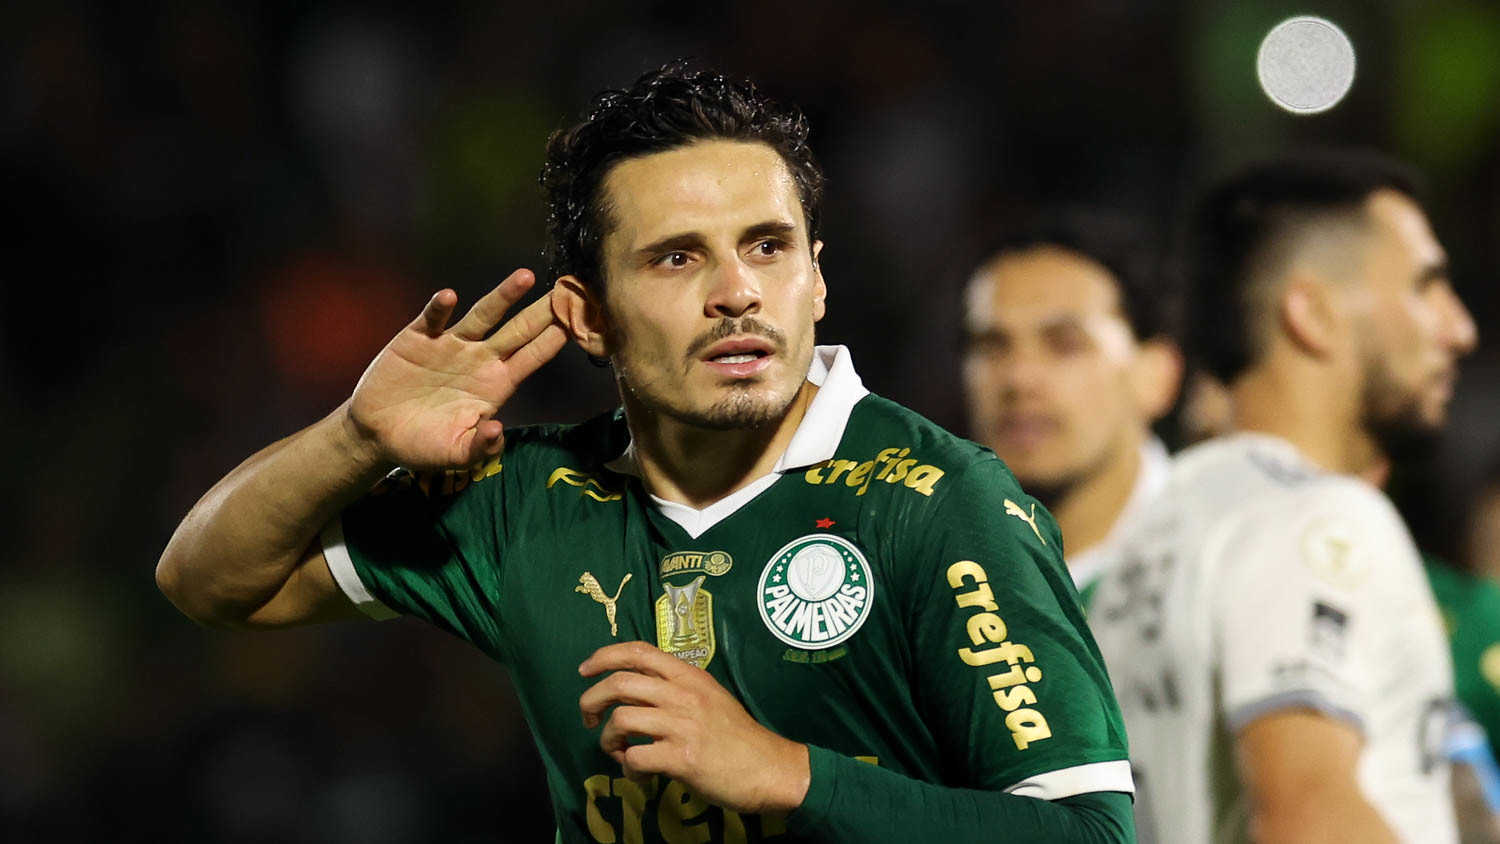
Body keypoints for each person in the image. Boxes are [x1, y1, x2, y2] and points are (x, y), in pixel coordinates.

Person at [157, 64, 1136, 843]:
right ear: (587, 313)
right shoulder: (524, 498)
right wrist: (354, 438)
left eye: (767, 247)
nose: (738, 292)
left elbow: (1089, 832)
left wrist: (785, 773)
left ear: (818, 282)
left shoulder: (938, 499)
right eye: (678, 256)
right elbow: (209, 580)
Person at [1088, 151, 1478, 843]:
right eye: (1425, 287)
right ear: (1312, 312)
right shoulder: (1318, 517)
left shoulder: (1157, 536)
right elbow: (1309, 818)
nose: (1459, 328)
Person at [962, 212, 1182, 609]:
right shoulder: (923, 570)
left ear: (1156, 375)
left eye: (1065, 344)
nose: (1019, 379)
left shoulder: (1217, 566)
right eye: (993, 346)